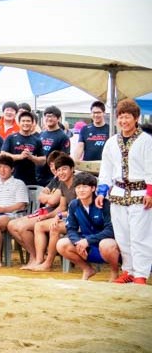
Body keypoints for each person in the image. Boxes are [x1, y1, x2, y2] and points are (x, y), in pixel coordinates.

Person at [96, 99, 152, 285]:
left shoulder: (146, 140)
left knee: (140, 236)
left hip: (140, 193)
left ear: (136, 118)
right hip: (118, 194)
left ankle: (141, 274)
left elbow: (150, 167)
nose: (123, 121)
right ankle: (128, 270)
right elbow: (106, 169)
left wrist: (150, 191)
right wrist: (101, 191)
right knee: (122, 235)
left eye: (127, 117)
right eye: (120, 117)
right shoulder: (112, 142)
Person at [57, 172, 120, 281]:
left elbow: (111, 230)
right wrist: (77, 242)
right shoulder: (74, 204)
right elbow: (71, 228)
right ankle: (87, 269)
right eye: (78, 187)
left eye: (85, 187)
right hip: (87, 246)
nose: (81, 190)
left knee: (107, 244)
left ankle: (114, 272)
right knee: (61, 244)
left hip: (106, 245)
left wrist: (88, 240)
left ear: (93, 188)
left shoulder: (104, 204)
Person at [28, 154, 76, 271]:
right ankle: (39, 260)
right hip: (68, 217)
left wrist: (59, 216)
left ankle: (48, 263)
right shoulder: (63, 184)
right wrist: (47, 216)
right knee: (39, 225)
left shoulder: (79, 183)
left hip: (81, 220)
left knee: (54, 227)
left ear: (72, 169)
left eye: (64, 169)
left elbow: (79, 210)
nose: (61, 172)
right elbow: (62, 206)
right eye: (58, 170)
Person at [0, 111, 46, 186]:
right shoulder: (11, 137)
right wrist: (19, 157)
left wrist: (32, 157)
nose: (26, 123)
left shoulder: (37, 140)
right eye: (23, 121)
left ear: (32, 123)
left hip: (30, 180)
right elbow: (3, 155)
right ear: (19, 123)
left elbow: (43, 160)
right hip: (11, 178)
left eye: (28, 121)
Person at [37, 106, 71, 186]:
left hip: (53, 176)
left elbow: (64, 158)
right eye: (47, 116)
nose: (49, 119)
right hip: (38, 175)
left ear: (58, 118)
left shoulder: (63, 136)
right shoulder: (41, 134)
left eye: (52, 116)